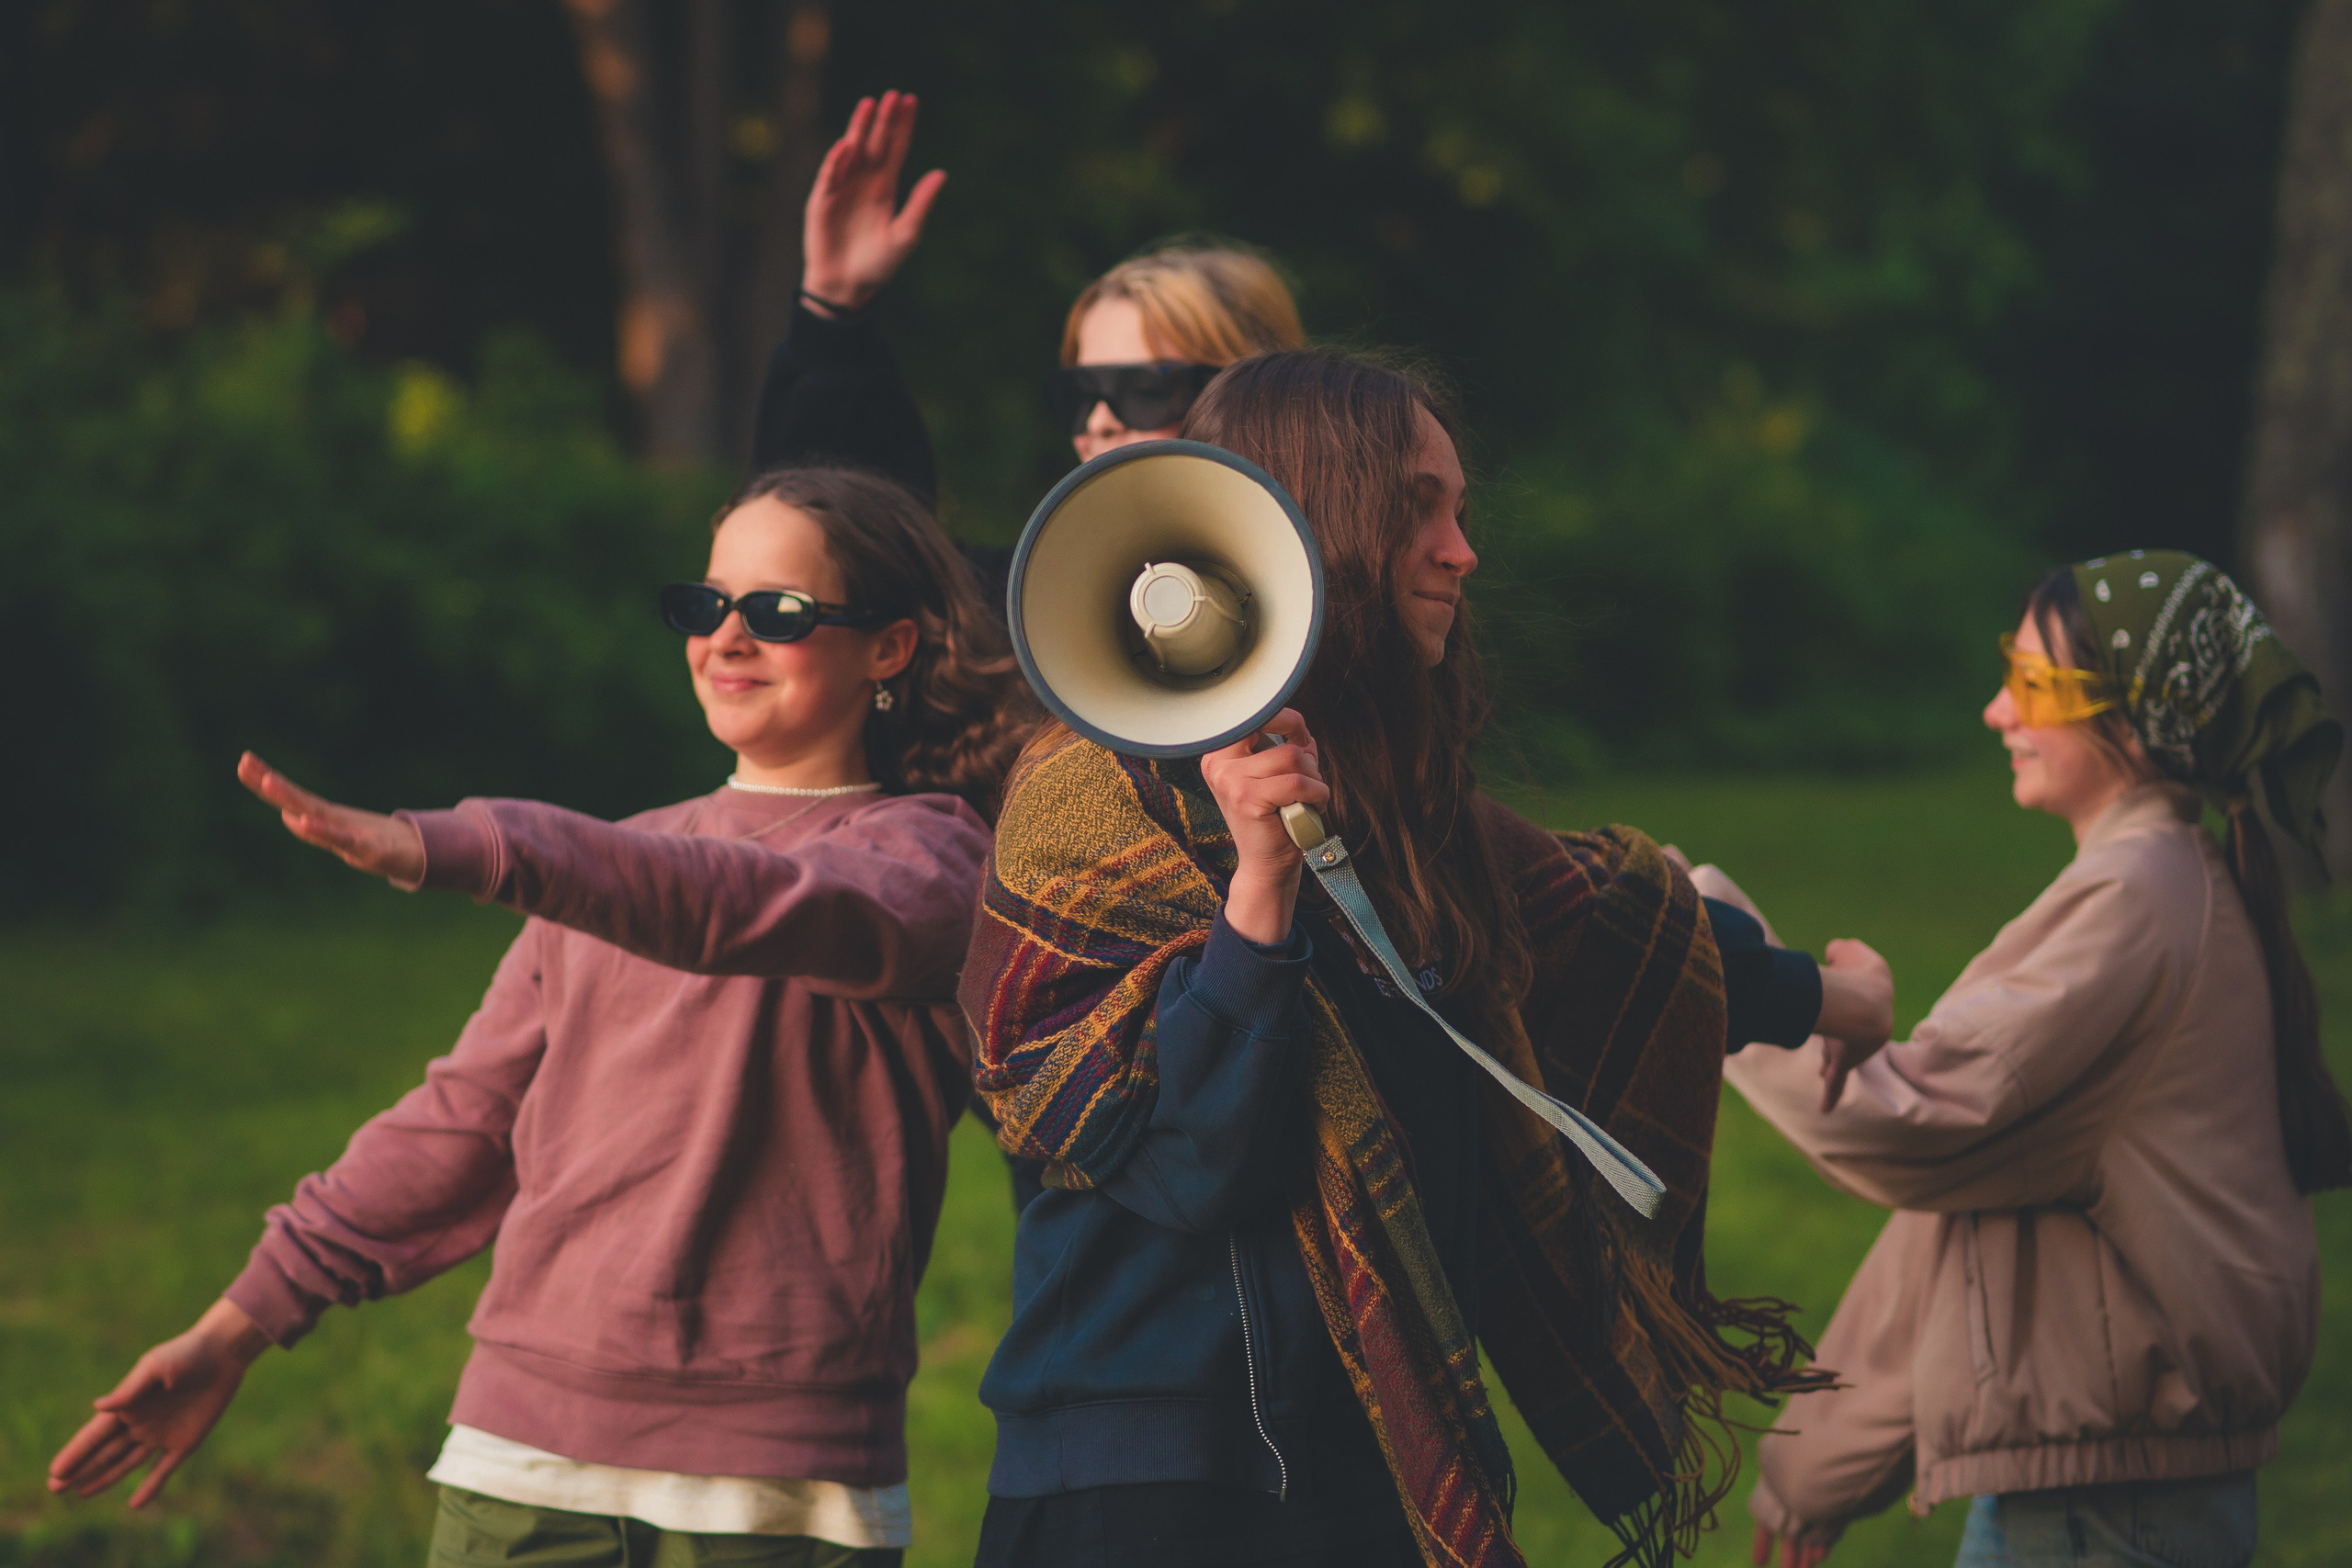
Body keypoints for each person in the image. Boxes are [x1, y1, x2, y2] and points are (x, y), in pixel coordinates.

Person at [957, 348, 1896, 1568]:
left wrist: (1831, 995)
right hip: (1144, 1487)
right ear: (1323, 524)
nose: (1463, 551)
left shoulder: (1405, 809)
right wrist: (1258, 890)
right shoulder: (1089, 803)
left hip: (1360, 1467)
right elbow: (1195, 1161)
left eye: (1459, 510)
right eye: (1420, 512)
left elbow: (1605, 921)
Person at [46, 467, 1035, 1567]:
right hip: (521, 1453)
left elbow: (747, 907)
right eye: (707, 607)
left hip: (776, 1479)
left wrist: (482, 849)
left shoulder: (930, 861)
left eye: (779, 613)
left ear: (890, 648)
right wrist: (236, 1328)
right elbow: (463, 1125)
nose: (728, 639)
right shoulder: (618, 865)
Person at [1724, 552, 2348, 1568]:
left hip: (2102, 1519)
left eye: (2027, 683)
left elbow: (1903, 1120)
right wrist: (1818, 1465)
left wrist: (1704, 959)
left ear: (2138, 722)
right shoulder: (2157, 888)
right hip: (2105, 1502)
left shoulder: (2133, 905)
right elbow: (1963, 1212)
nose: (1993, 713)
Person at [748, 91, 1306, 520]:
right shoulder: (1026, 615)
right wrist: (833, 307)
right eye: (1080, 395)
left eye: (1146, 389)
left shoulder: (1369, 599)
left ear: (1256, 398)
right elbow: (851, 540)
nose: (1100, 424)